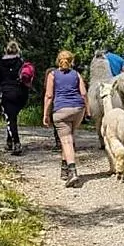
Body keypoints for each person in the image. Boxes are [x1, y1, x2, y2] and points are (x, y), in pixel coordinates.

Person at [43, 49, 88, 188]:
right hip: (78, 109)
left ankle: (73, 172)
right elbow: (84, 93)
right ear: (71, 61)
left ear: (58, 61)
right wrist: (88, 110)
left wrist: (45, 114)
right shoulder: (76, 74)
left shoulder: (52, 75)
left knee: (66, 140)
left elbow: (49, 96)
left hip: (61, 110)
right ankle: (64, 168)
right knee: (69, 137)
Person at [0, 40, 29, 156]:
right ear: (17, 50)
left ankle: (16, 143)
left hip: (7, 93)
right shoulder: (20, 62)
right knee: (12, 117)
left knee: (11, 119)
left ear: (6, 50)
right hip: (20, 94)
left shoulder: (1, 63)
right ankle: (9, 141)